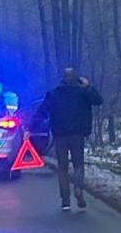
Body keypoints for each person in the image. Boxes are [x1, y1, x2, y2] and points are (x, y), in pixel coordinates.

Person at [42, 68, 102, 210]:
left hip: (60, 136)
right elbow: (98, 101)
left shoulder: (54, 93)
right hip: (77, 135)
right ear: (77, 79)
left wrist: (29, 128)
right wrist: (88, 86)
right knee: (78, 164)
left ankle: (65, 200)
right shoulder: (83, 93)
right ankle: (78, 189)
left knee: (62, 167)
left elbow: (43, 111)